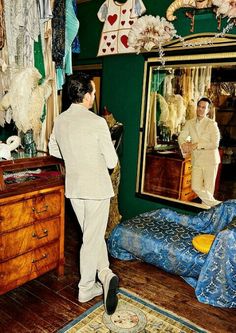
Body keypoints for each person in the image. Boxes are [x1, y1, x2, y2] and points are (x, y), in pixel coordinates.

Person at [48, 73, 119, 315]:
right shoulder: (97, 122)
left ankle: (105, 274)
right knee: (91, 238)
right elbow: (111, 161)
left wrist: (74, 155)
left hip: (75, 188)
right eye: (93, 93)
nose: (94, 96)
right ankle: (86, 286)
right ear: (87, 95)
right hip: (97, 188)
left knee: (92, 235)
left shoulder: (59, 120)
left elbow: (53, 149)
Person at [178, 97, 221, 208]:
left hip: (210, 161)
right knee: (195, 187)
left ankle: (207, 216)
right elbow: (182, 136)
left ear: (208, 110)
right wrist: (183, 144)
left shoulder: (212, 124)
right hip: (196, 160)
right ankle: (219, 206)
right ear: (196, 107)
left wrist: (197, 145)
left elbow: (215, 144)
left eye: (204, 107)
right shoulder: (190, 123)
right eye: (199, 106)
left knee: (208, 190)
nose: (201, 109)